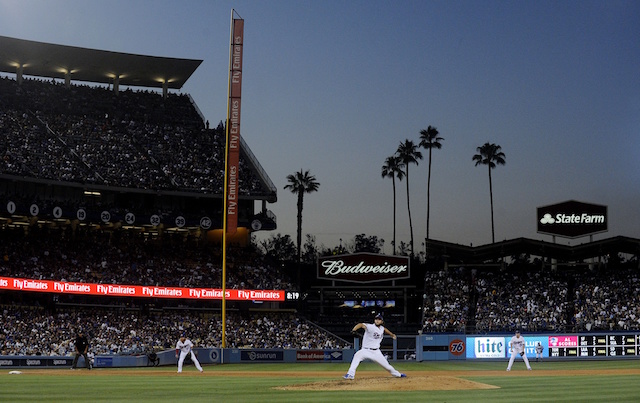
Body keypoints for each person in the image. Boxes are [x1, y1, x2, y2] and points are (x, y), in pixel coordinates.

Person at [343, 313, 406, 380]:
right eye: (376, 319)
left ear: (382, 321)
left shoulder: (381, 328)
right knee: (357, 356)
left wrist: (391, 334)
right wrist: (354, 330)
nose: (377, 320)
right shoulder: (370, 326)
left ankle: (398, 375)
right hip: (365, 350)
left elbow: (384, 330)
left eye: (379, 319)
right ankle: (350, 374)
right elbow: (361, 325)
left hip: (376, 352)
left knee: (387, 366)